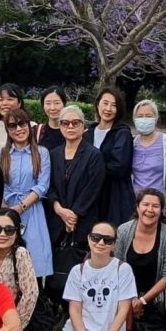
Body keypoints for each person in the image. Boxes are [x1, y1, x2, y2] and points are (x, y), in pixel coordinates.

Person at [37, 222, 137, 331]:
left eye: (107, 240)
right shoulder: (78, 271)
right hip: (79, 330)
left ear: (114, 245)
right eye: (96, 238)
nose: (101, 243)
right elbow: (74, 309)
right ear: (89, 239)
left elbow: (123, 310)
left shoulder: (123, 270)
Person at [0, 107, 53, 278]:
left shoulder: (41, 153)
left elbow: (42, 185)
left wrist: (20, 207)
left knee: (34, 257)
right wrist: (6, 209)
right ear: (7, 130)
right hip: (6, 208)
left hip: (32, 209)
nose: (18, 129)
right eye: (12, 126)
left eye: (22, 124)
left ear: (28, 125)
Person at [115, 189, 166, 331]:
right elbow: (116, 267)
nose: (150, 210)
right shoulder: (123, 230)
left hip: (157, 291)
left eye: (155, 206)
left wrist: (143, 300)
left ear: (161, 210)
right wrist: (131, 298)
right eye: (145, 205)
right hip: (129, 290)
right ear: (138, 207)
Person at [47, 105, 105, 247]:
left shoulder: (94, 155)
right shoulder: (53, 154)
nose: (70, 127)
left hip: (83, 222)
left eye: (75, 122)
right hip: (56, 222)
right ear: (60, 126)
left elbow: (92, 189)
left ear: (83, 126)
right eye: (65, 123)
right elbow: (48, 185)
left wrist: (72, 216)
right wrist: (59, 210)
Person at [83, 86, 135, 226]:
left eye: (114, 105)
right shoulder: (88, 133)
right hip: (90, 194)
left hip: (114, 194)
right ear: (98, 103)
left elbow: (119, 166)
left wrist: (91, 171)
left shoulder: (122, 133)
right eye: (105, 103)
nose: (108, 109)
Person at [130, 99, 166, 204]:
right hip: (136, 203)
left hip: (161, 203)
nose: (144, 119)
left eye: (148, 116)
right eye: (140, 116)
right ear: (134, 119)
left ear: (156, 118)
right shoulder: (132, 143)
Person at [35, 86, 66, 151]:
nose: (52, 108)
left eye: (57, 103)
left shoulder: (73, 131)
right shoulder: (37, 132)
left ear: (64, 104)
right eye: (48, 103)